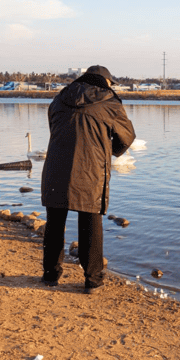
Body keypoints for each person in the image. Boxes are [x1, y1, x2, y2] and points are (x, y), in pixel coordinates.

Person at [41, 65, 135, 293]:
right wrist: (110, 150)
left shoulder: (60, 97)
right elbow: (127, 136)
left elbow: (53, 125)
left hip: (55, 166)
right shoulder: (110, 102)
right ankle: (92, 280)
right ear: (106, 82)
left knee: (54, 222)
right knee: (90, 222)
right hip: (91, 169)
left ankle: (50, 275)